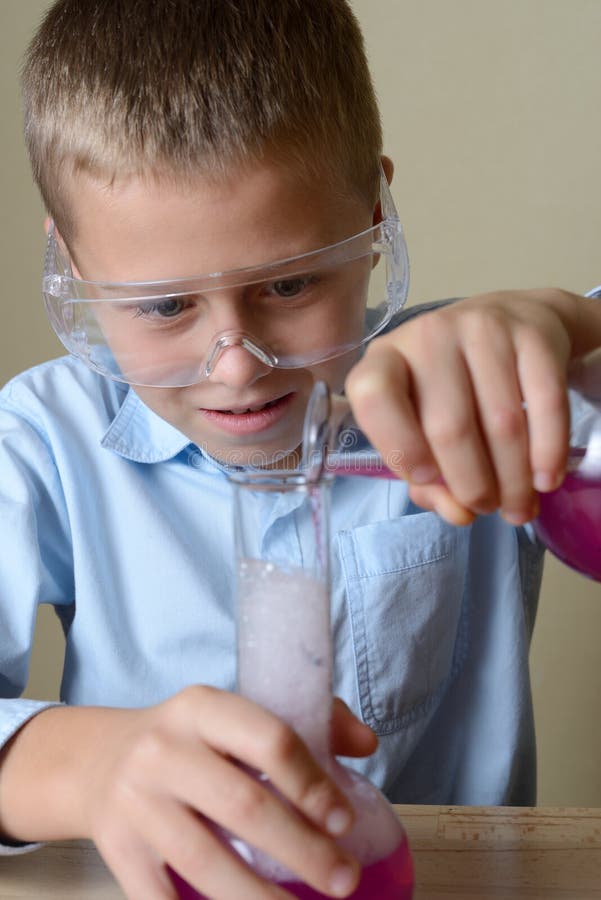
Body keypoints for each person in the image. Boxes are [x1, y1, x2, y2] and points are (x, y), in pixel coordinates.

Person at [0, 1, 599, 898]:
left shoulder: (477, 395)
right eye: (164, 306)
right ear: (76, 270)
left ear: (370, 219)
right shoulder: (44, 437)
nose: (237, 364)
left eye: (288, 284)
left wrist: (572, 322)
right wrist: (84, 767)